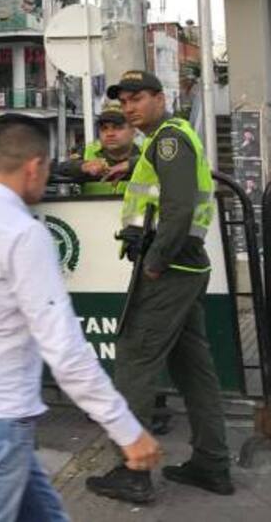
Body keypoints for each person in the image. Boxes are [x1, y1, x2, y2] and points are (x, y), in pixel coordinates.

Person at [0, 114, 161, 520]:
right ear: (34, 166)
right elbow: (66, 350)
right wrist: (125, 428)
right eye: (48, 168)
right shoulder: (22, 233)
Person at [86, 70, 233, 503]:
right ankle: (213, 464)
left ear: (159, 98)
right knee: (193, 368)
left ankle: (132, 471)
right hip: (183, 270)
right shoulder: (164, 141)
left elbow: (178, 206)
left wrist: (155, 261)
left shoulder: (169, 140)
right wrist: (128, 168)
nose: (129, 107)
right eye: (124, 100)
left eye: (137, 99)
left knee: (134, 358)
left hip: (168, 270)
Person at [55, 101, 138, 195]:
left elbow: (154, 191)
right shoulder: (88, 151)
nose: (110, 134)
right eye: (104, 128)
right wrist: (83, 167)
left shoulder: (146, 153)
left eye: (117, 128)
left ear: (133, 131)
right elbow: (59, 168)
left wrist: (131, 166)